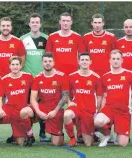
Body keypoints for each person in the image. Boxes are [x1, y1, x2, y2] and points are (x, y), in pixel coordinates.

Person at [46, 12, 86, 143]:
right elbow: (48, 57)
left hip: (74, 78)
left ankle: (79, 133)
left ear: (71, 22)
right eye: (63, 21)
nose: (65, 23)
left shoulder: (77, 37)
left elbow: (82, 57)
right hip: (56, 78)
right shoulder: (52, 37)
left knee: (76, 104)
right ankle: (55, 131)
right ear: (59, 22)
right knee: (54, 104)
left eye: (67, 21)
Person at [20, 52, 68, 146]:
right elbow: (33, 98)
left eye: (50, 61)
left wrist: (54, 111)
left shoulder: (62, 76)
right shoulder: (38, 78)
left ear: (54, 63)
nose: (47, 63)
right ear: (42, 63)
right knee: (24, 112)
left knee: (57, 143)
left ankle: (58, 132)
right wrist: (38, 111)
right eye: (45, 61)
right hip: (43, 107)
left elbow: (65, 96)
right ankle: (30, 135)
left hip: (56, 110)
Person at [94, 49, 132, 147]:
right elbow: (104, 97)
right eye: (113, 59)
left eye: (118, 59)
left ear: (122, 60)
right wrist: (101, 111)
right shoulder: (105, 77)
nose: (116, 61)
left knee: (122, 144)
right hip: (109, 109)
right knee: (97, 121)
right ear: (110, 60)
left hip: (123, 111)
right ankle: (108, 135)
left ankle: (118, 134)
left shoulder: (130, 74)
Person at [0, 56, 34, 148]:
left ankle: (29, 135)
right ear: (9, 66)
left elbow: (35, 91)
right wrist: (0, 109)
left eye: (17, 64)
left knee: (21, 143)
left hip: (22, 111)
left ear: (21, 66)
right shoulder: (4, 79)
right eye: (13, 64)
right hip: (9, 109)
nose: (15, 67)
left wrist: (31, 104)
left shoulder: (28, 77)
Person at [16, 13, 49, 143]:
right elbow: (19, 59)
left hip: (42, 78)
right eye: (32, 22)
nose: (35, 24)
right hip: (27, 79)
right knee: (25, 106)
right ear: (29, 24)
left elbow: (49, 59)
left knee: (43, 106)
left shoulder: (47, 38)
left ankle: (42, 133)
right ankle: (26, 133)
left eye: (37, 22)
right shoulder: (22, 39)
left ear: (40, 24)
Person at [84, 13, 117, 143]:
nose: (97, 25)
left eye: (99, 23)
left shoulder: (110, 37)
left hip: (107, 78)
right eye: (95, 23)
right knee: (92, 104)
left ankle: (109, 131)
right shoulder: (86, 37)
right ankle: (95, 132)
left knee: (107, 104)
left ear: (103, 23)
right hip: (91, 78)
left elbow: (116, 57)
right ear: (91, 23)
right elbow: (83, 58)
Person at [64, 52, 103, 147]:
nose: (84, 62)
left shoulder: (96, 77)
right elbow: (65, 92)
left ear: (90, 62)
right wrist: (69, 102)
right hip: (76, 107)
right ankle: (72, 138)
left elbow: (99, 97)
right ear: (78, 62)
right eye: (82, 60)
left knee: (88, 144)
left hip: (89, 110)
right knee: (66, 115)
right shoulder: (72, 76)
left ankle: (89, 132)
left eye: (86, 60)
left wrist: (97, 112)